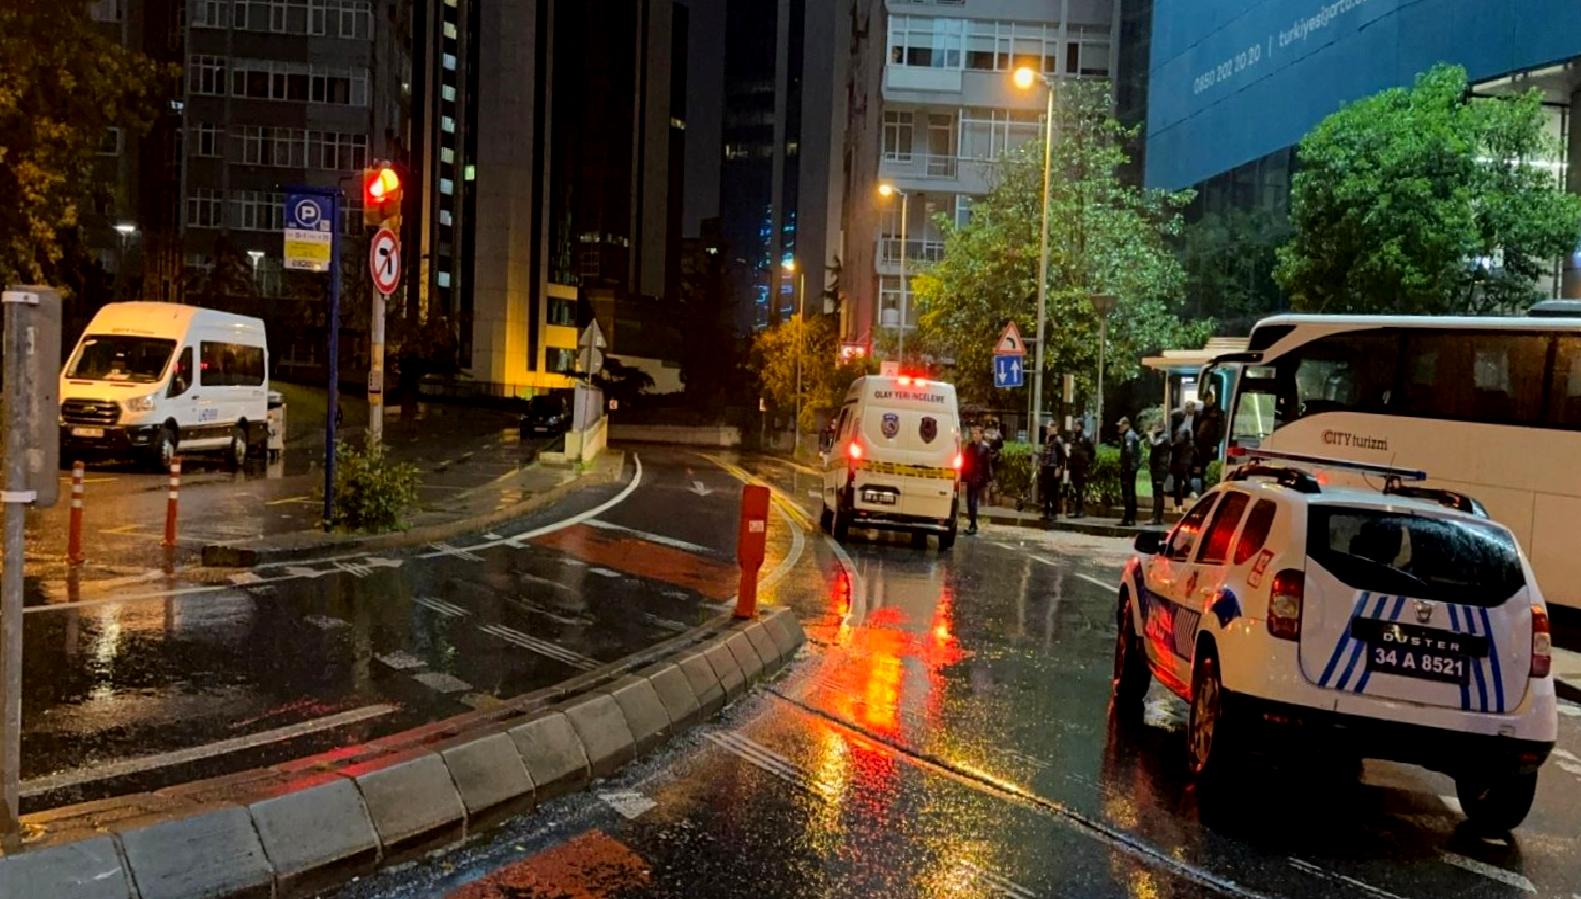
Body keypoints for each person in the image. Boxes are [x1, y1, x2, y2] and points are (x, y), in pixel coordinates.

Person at [961, 426, 994, 535]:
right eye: (973, 433)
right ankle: (972, 524)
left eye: (976, 433)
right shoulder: (970, 446)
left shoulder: (985, 447)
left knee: (973, 501)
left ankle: (973, 525)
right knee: (969, 502)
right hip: (970, 476)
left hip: (978, 478)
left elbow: (987, 464)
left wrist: (989, 479)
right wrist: (963, 477)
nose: (974, 435)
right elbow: (966, 462)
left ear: (981, 435)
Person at [1066, 420, 1094, 518]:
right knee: (1076, 489)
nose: (1075, 427)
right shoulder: (1073, 438)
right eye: (1074, 425)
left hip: (1082, 467)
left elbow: (1092, 452)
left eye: (1077, 425)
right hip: (1074, 467)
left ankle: (1080, 510)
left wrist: (1088, 463)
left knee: (1080, 490)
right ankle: (1077, 510)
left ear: (1081, 426)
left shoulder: (1086, 437)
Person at [1117, 416, 1141, 526]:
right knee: (1131, 491)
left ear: (1126, 425)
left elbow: (1129, 452)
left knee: (1127, 493)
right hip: (1132, 468)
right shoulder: (1132, 435)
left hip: (1128, 469)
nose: (1120, 428)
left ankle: (1128, 517)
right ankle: (1131, 516)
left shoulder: (1129, 436)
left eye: (1121, 425)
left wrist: (1125, 466)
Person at [1039, 422, 1065, 520]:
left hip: (1054, 468)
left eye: (1050, 428)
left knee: (1054, 491)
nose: (1048, 430)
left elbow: (1062, 456)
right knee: (1046, 491)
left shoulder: (1058, 440)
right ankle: (1046, 512)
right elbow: (1044, 454)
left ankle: (1054, 513)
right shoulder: (1046, 439)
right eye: (1047, 428)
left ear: (1055, 429)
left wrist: (1059, 468)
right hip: (1046, 467)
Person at [1170, 417, 1196, 511]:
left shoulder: (1177, 445)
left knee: (1177, 485)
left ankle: (1178, 505)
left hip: (1178, 466)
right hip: (1185, 466)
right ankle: (1191, 490)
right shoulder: (1189, 445)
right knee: (1183, 479)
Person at [1147, 424, 1170, 525]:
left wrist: (1151, 436)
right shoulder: (1162, 437)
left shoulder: (1163, 437)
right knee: (1159, 493)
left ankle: (1156, 517)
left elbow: (1155, 445)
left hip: (1159, 469)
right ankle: (1159, 517)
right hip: (1158, 468)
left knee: (1158, 494)